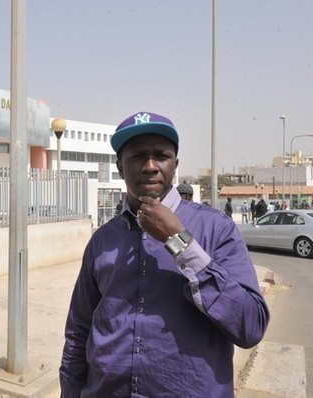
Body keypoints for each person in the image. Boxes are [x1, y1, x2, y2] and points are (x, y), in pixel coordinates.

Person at [59, 111, 269, 397]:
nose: (150, 166)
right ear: (120, 167)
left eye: (161, 155)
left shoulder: (216, 229)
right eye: (137, 156)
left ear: (175, 165)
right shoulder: (102, 240)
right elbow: (78, 332)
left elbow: (250, 325)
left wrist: (179, 242)